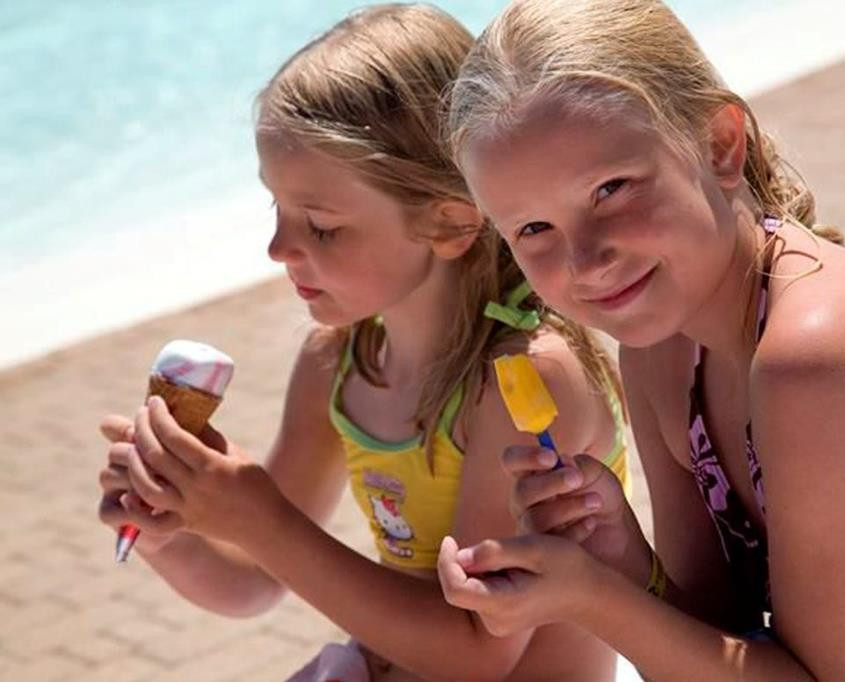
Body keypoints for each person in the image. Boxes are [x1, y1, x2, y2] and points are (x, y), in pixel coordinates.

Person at [435, 0, 845, 679]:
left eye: (611, 188)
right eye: (534, 229)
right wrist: (618, 556)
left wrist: (593, 600)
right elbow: (716, 637)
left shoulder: (820, 355)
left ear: (719, 145)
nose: (587, 260)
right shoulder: (663, 353)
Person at [96, 4, 630, 680]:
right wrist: (169, 525)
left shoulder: (524, 382)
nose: (278, 248)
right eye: (277, 209)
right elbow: (252, 582)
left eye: (321, 225)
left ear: (449, 223)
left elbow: (476, 647)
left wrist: (259, 517)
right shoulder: (338, 362)